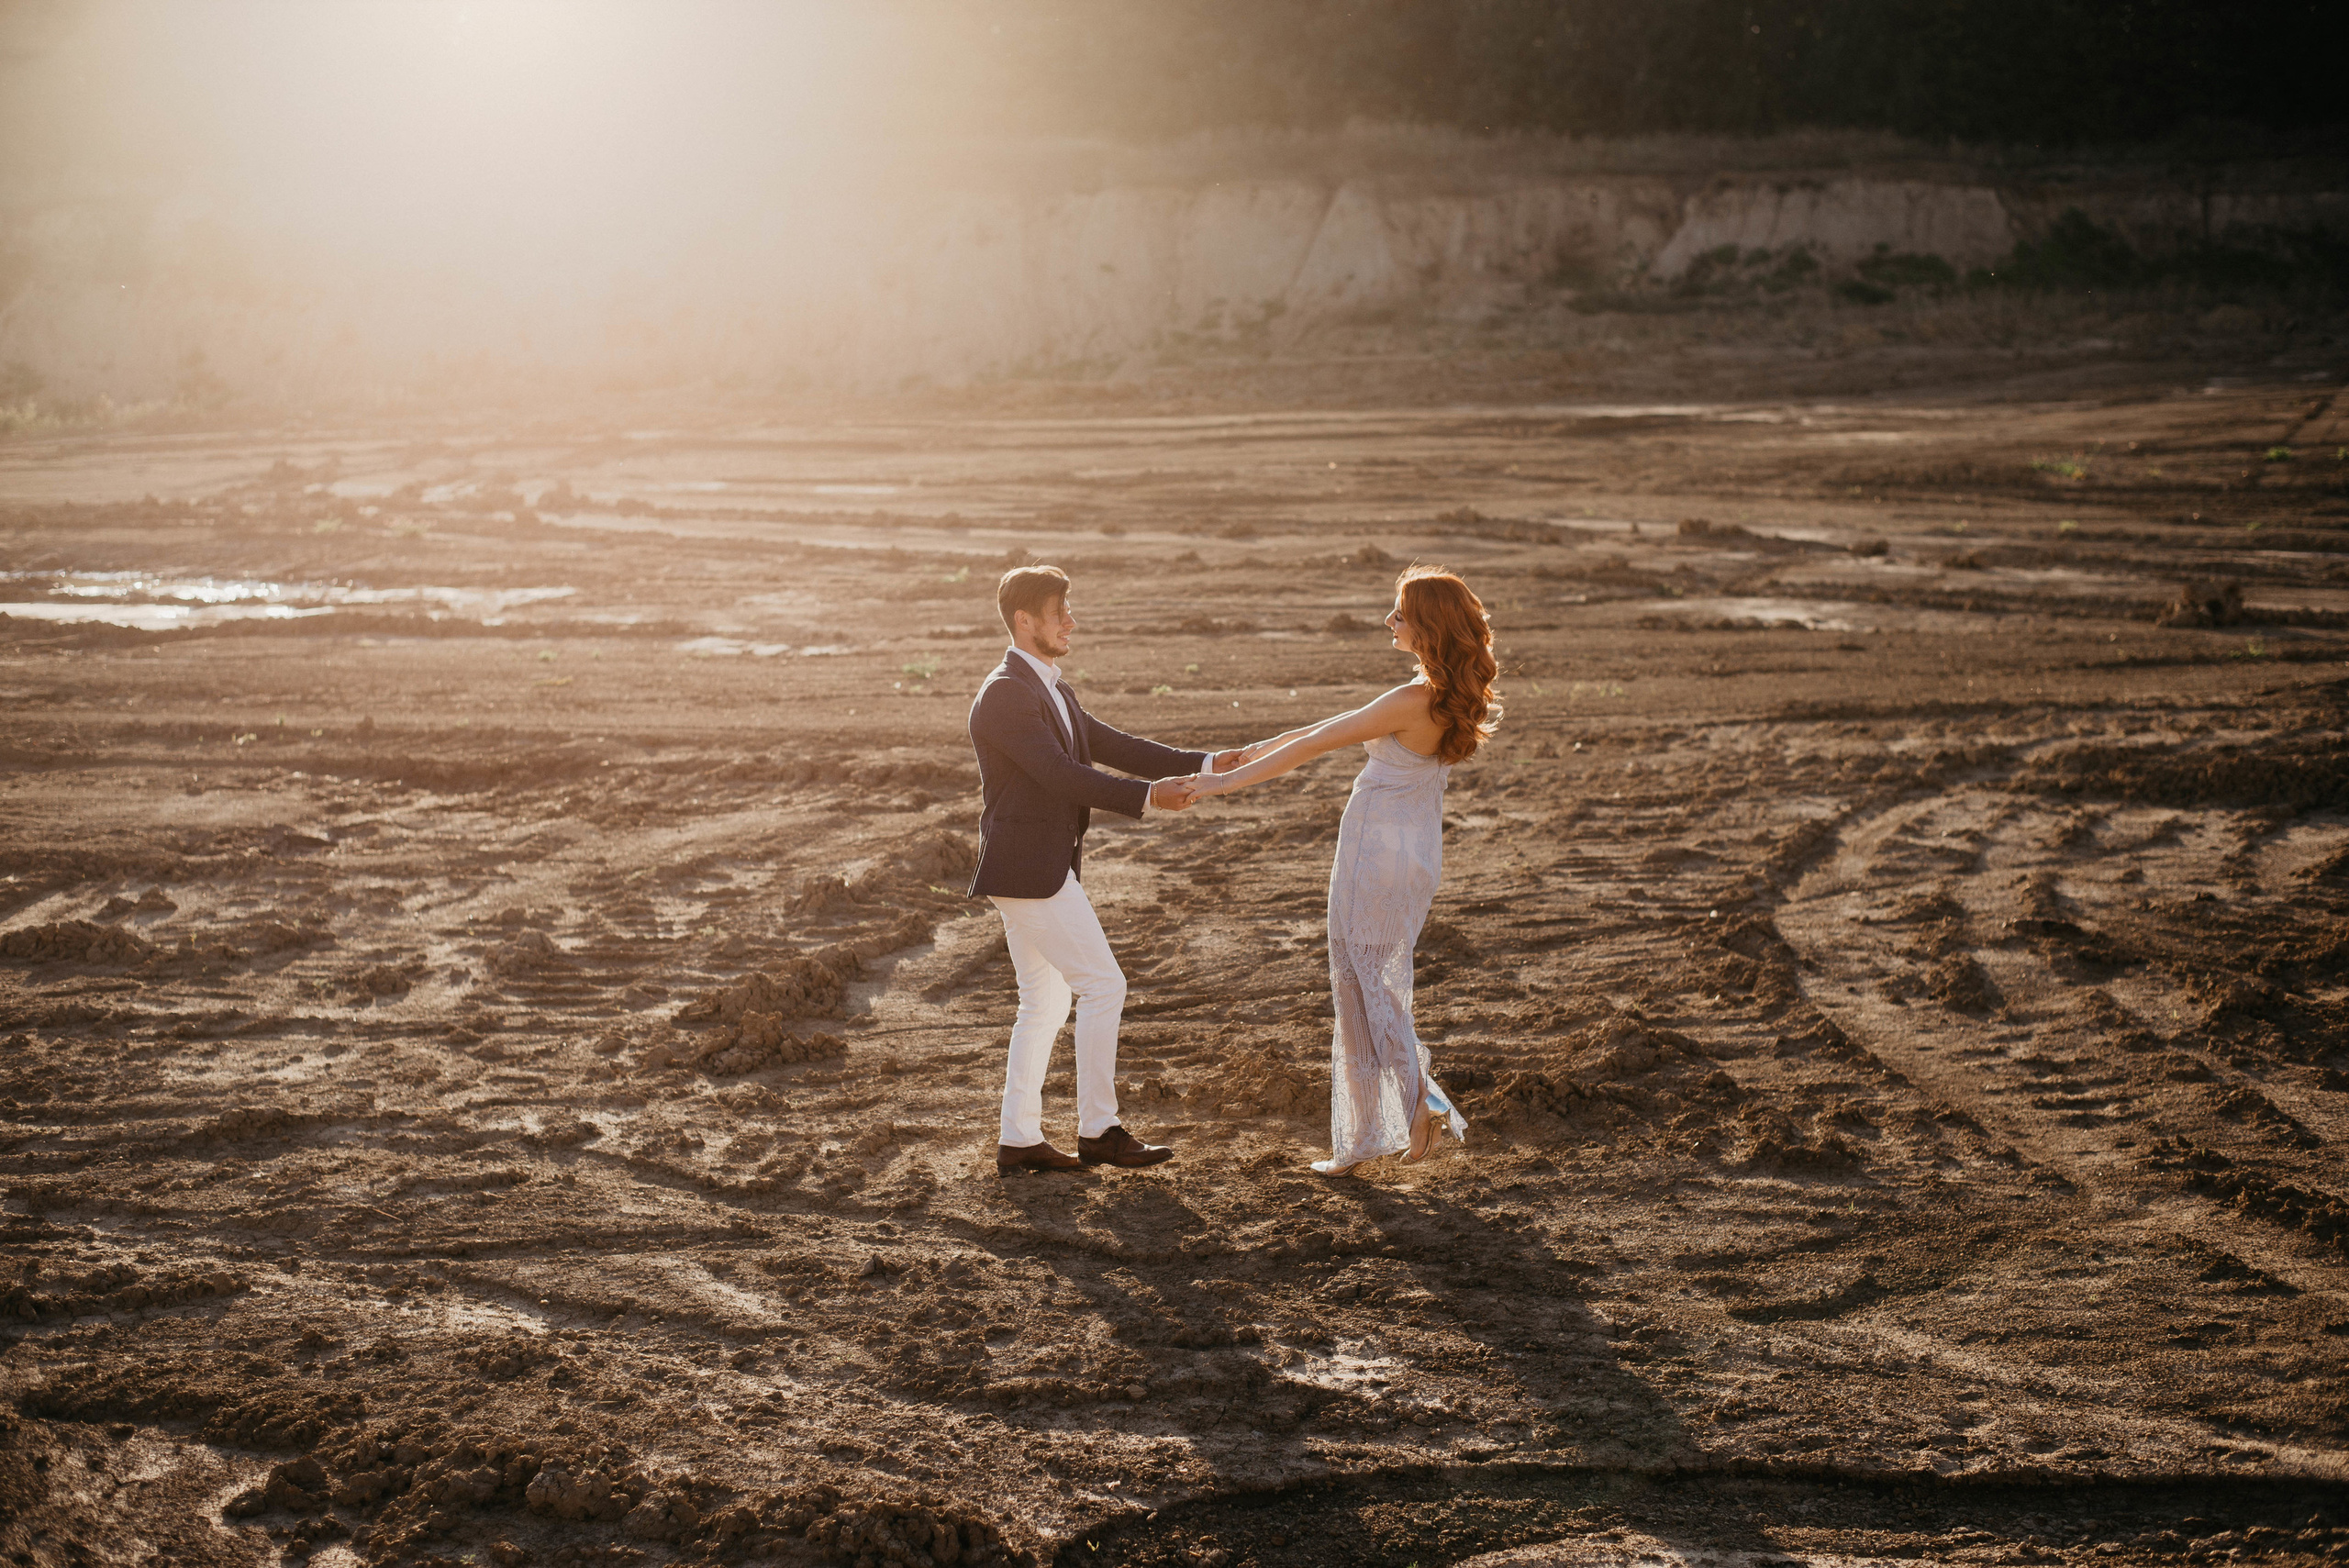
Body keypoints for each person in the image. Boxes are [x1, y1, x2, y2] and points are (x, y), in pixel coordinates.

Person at [1178, 566, 1499, 1176]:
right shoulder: (1439, 698)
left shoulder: (1410, 699)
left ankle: (1416, 1105)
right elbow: (1328, 729)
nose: (1389, 622)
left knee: (1363, 987)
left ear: (1427, 626)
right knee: (1372, 981)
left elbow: (1319, 743)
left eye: (1400, 614)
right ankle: (1369, 1136)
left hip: (1372, 854)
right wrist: (1265, 743)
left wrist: (1222, 781)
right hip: (1417, 855)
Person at [967, 565, 1247, 1176]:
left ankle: (1018, 1138)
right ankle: (1099, 1129)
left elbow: (1110, 744)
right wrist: (1148, 797)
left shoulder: (1049, 688)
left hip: (1033, 868)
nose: (1071, 621)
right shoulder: (1006, 692)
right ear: (1024, 621)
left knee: (1043, 1002)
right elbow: (1062, 776)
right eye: (1059, 612)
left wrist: (1203, 762)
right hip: (1028, 870)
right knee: (1103, 985)